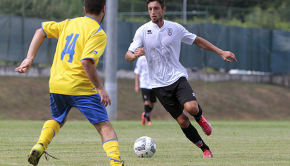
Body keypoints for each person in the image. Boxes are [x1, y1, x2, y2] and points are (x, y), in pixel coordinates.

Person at [15, 0, 124, 165]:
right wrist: (100, 88)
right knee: (104, 126)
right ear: (104, 9)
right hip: (81, 88)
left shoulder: (69, 24)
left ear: (84, 9)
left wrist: (29, 58)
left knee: (57, 119)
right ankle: (116, 163)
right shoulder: (97, 32)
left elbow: (40, 31)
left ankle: (40, 144)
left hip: (58, 84)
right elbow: (87, 62)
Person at [125, 0, 237, 158]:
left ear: (163, 9)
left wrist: (221, 52)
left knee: (191, 108)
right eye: (150, 9)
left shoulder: (175, 28)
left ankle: (200, 118)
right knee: (183, 121)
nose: (152, 12)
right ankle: (205, 149)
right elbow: (128, 54)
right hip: (157, 85)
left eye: (156, 8)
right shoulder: (142, 31)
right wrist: (134, 54)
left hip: (177, 77)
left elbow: (197, 40)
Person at [134, 54, 157, 126]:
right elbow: (137, 73)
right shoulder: (141, 59)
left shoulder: (154, 57)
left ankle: (145, 114)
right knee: (146, 102)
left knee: (152, 103)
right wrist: (137, 85)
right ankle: (149, 120)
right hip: (144, 84)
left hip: (154, 84)